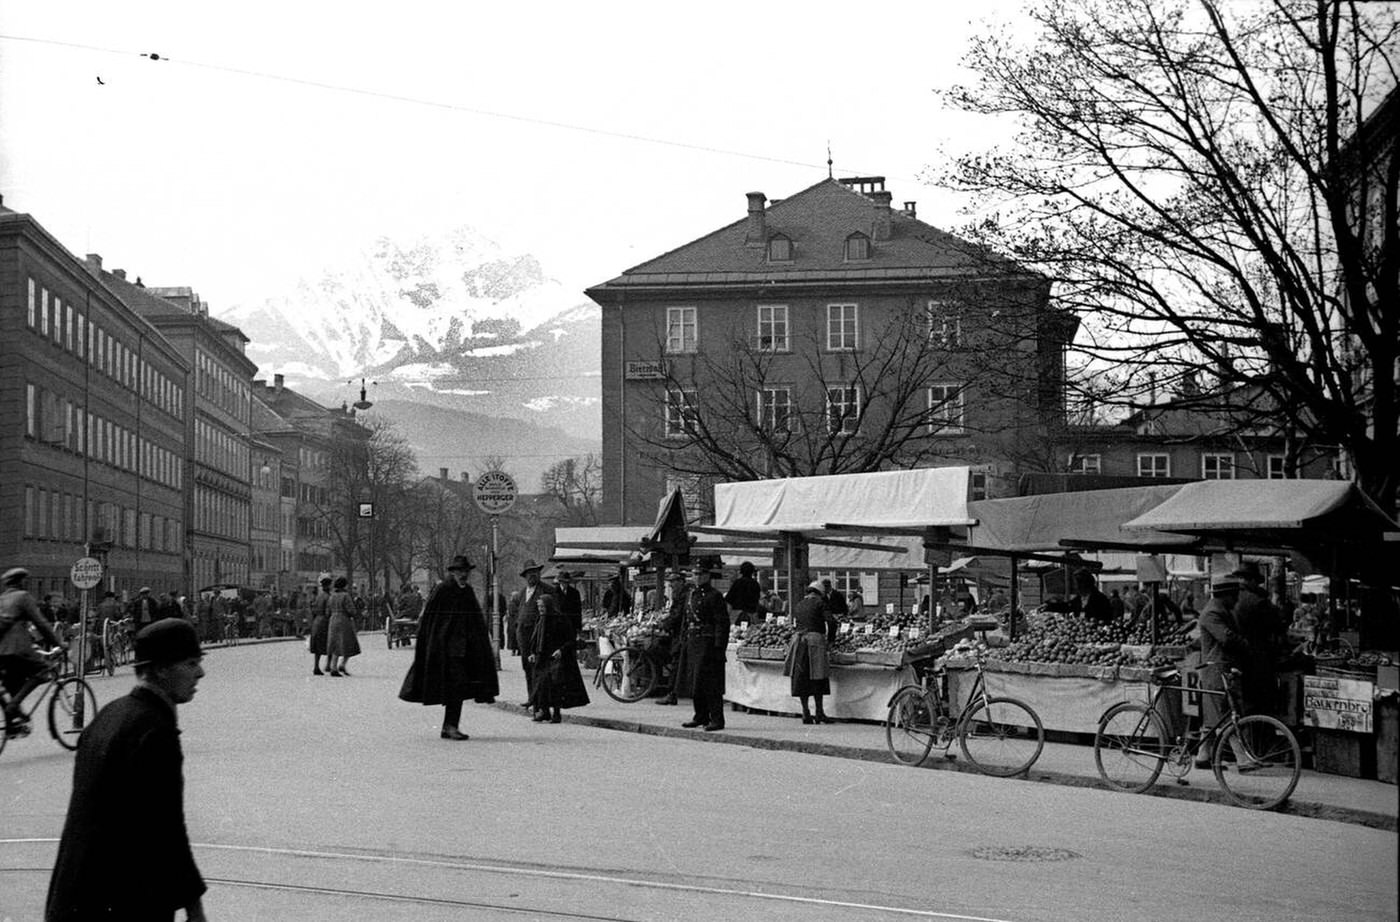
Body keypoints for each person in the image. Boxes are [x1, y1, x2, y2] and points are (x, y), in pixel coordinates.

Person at [46, 618, 208, 921]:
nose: (200, 672)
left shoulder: (110, 713)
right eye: (190, 663)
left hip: (73, 897)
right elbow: (168, 828)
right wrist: (194, 908)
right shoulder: (154, 730)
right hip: (122, 901)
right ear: (161, 669)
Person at [398, 555, 499, 740]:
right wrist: (434, 642)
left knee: (457, 686)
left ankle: (449, 726)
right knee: (455, 685)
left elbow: (475, 617)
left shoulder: (467, 590)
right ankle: (450, 726)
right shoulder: (443, 589)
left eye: (466, 571)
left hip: (463, 648)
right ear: (452, 572)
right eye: (460, 571)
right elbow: (430, 617)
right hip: (446, 647)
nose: (463, 575)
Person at [1195, 576, 1253, 767]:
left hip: (1223, 668)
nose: (1237, 599)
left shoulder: (1222, 610)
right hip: (1217, 669)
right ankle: (1242, 758)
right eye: (1235, 595)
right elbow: (1226, 638)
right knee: (1227, 712)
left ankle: (1203, 756)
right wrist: (1246, 644)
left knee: (1214, 714)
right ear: (1225, 595)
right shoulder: (1213, 613)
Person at [0, 568, 64, 734]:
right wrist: (58, 643)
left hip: (1, 651)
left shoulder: (2, 599)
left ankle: (12, 725)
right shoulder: (23, 597)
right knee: (43, 671)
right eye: (25, 581)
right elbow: (41, 623)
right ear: (20, 582)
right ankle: (12, 707)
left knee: (14, 683)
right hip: (18, 648)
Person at [525, 593, 589, 723]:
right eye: (539, 606)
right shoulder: (540, 619)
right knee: (541, 685)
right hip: (541, 657)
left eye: (543, 606)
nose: (540, 609)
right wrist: (532, 652)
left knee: (555, 686)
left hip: (556, 658)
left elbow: (570, 639)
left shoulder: (560, 619)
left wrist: (561, 650)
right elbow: (535, 638)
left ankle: (556, 713)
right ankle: (544, 712)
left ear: (548, 606)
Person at [681, 561, 729, 732]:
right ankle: (700, 715)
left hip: (708, 643)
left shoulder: (714, 595)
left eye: (701, 574)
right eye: (695, 574)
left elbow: (722, 623)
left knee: (711, 683)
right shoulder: (691, 594)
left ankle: (717, 719)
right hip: (694, 642)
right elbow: (686, 620)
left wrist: (719, 646)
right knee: (696, 683)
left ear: (708, 576)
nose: (697, 577)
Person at [784, 581, 839, 724]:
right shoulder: (820, 603)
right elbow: (831, 622)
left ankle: (805, 712)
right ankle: (819, 712)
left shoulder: (799, 604)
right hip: (815, 642)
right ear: (820, 593)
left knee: (802, 678)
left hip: (798, 642)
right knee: (818, 677)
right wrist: (831, 640)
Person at [513, 560, 553, 706]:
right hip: (523, 637)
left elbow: (553, 613)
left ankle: (541, 702)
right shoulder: (522, 593)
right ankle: (532, 698)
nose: (532, 576)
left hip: (540, 636)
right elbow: (518, 613)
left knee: (540, 669)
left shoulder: (547, 590)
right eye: (529, 573)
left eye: (535, 573)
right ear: (525, 576)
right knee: (527, 668)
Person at [654, 569, 690, 706]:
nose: (671, 585)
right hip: (677, 632)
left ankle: (672, 693)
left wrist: (665, 624)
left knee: (675, 663)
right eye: (670, 582)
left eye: (673, 582)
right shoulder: (678, 594)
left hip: (682, 634)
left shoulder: (684, 595)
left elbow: (678, 615)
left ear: (681, 582)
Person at [325, 577, 361, 677]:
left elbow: (327, 611)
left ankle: (333, 667)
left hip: (333, 620)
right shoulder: (346, 596)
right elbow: (351, 610)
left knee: (335, 644)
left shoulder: (331, 596)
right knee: (348, 643)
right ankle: (342, 664)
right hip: (344, 620)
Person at [724, 561, 762, 626]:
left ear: (741, 571)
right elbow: (757, 600)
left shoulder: (737, 583)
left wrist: (726, 618)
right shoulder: (755, 584)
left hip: (737, 615)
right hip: (752, 616)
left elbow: (729, 600)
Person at [308, 574, 332, 675]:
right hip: (325, 622)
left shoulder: (318, 597)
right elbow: (328, 612)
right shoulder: (329, 597)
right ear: (328, 586)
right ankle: (328, 665)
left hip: (317, 621)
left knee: (317, 645)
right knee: (330, 643)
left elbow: (312, 609)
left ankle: (316, 666)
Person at [555, 570, 584, 635]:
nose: (566, 584)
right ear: (560, 582)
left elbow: (578, 610)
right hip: (558, 626)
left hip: (571, 625)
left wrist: (579, 627)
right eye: (564, 582)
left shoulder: (575, 593)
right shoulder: (554, 592)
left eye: (567, 582)